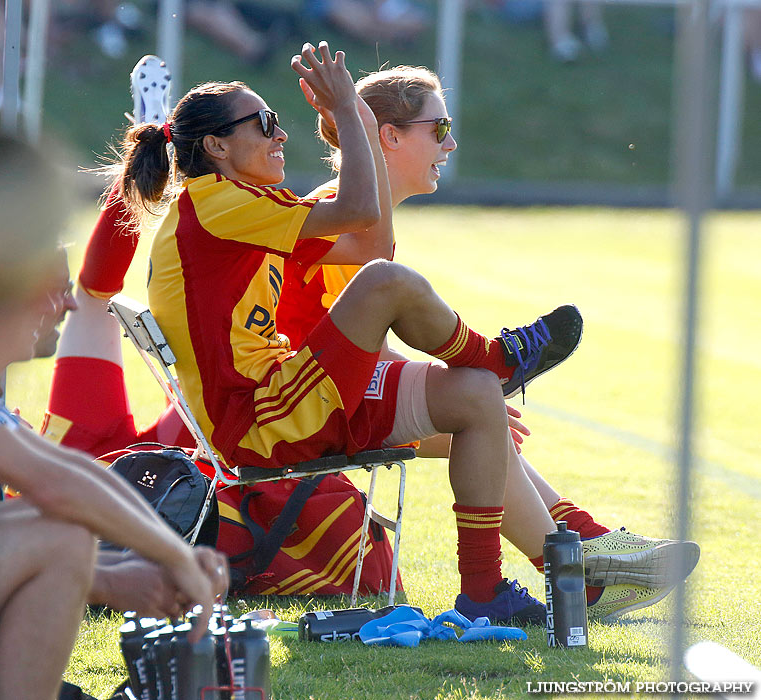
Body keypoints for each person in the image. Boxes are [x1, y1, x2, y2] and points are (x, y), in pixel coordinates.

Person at [106, 39, 589, 626]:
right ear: (217, 147)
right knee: (390, 287)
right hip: (259, 419)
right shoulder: (215, 204)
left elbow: (368, 244)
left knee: (475, 396)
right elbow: (369, 237)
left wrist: (352, 122)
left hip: (287, 400)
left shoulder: (246, 203)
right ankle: (496, 358)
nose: (281, 135)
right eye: (266, 124)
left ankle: (485, 593)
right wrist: (351, 120)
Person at [273, 64, 700, 622]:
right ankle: (579, 558)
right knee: (480, 415)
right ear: (390, 136)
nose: (449, 143)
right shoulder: (342, 216)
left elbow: (362, 347)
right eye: (439, 127)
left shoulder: (345, 212)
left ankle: (584, 551)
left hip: (323, 395)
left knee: (482, 414)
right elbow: (357, 351)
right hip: (310, 407)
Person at [0, 133, 227, 700]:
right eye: (50, 289)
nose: (69, 304)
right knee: (60, 535)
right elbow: (55, 483)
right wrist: (173, 555)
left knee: (62, 534)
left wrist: (135, 566)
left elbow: (64, 473)